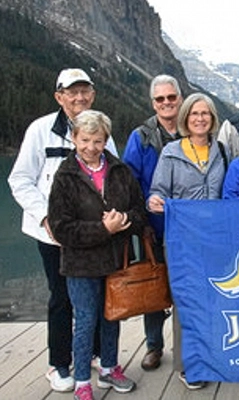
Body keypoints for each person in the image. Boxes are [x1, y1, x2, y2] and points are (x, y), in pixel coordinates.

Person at [7, 68, 115, 392]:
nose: (79, 97)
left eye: (85, 91)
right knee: (61, 298)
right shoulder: (40, 130)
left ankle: (95, 353)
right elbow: (20, 179)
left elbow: (116, 176)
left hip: (95, 234)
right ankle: (59, 364)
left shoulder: (102, 129)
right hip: (52, 234)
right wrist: (45, 218)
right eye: (72, 92)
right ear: (59, 97)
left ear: (93, 94)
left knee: (96, 295)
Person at [47, 110, 146, 400]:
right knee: (87, 319)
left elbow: (139, 212)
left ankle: (109, 368)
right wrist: (104, 228)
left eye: (98, 140)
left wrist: (123, 220)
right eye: (85, 140)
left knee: (112, 316)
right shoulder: (65, 177)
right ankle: (81, 382)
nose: (91, 147)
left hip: (115, 261)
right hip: (81, 265)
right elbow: (61, 228)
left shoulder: (120, 171)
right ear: (75, 138)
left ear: (106, 141)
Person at [148, 93, 229, 390]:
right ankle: (188, 364)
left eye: (205, 113)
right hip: (182, 240)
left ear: (212, 119)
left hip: (216, 239)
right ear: (185, 117)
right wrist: (155, 201)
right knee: (186, 301)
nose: (199, 118)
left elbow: (227, 191)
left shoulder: (220, 150)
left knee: (216, 297)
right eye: (194, 113)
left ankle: (213, 354)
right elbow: (156, 192)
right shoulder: (171, 152)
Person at [122, 74, 183, 371]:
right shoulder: (141, 136)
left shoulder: (193, 128)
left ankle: (192, 345)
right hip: (153, 227)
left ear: (180, 98)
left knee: (190, 289)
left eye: (171, 97)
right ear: (153, 103)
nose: (167, 103)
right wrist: (141, 220)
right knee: (154, 287)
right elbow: (129, 180)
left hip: (191, 229)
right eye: (160, 99)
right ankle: (154, 346)